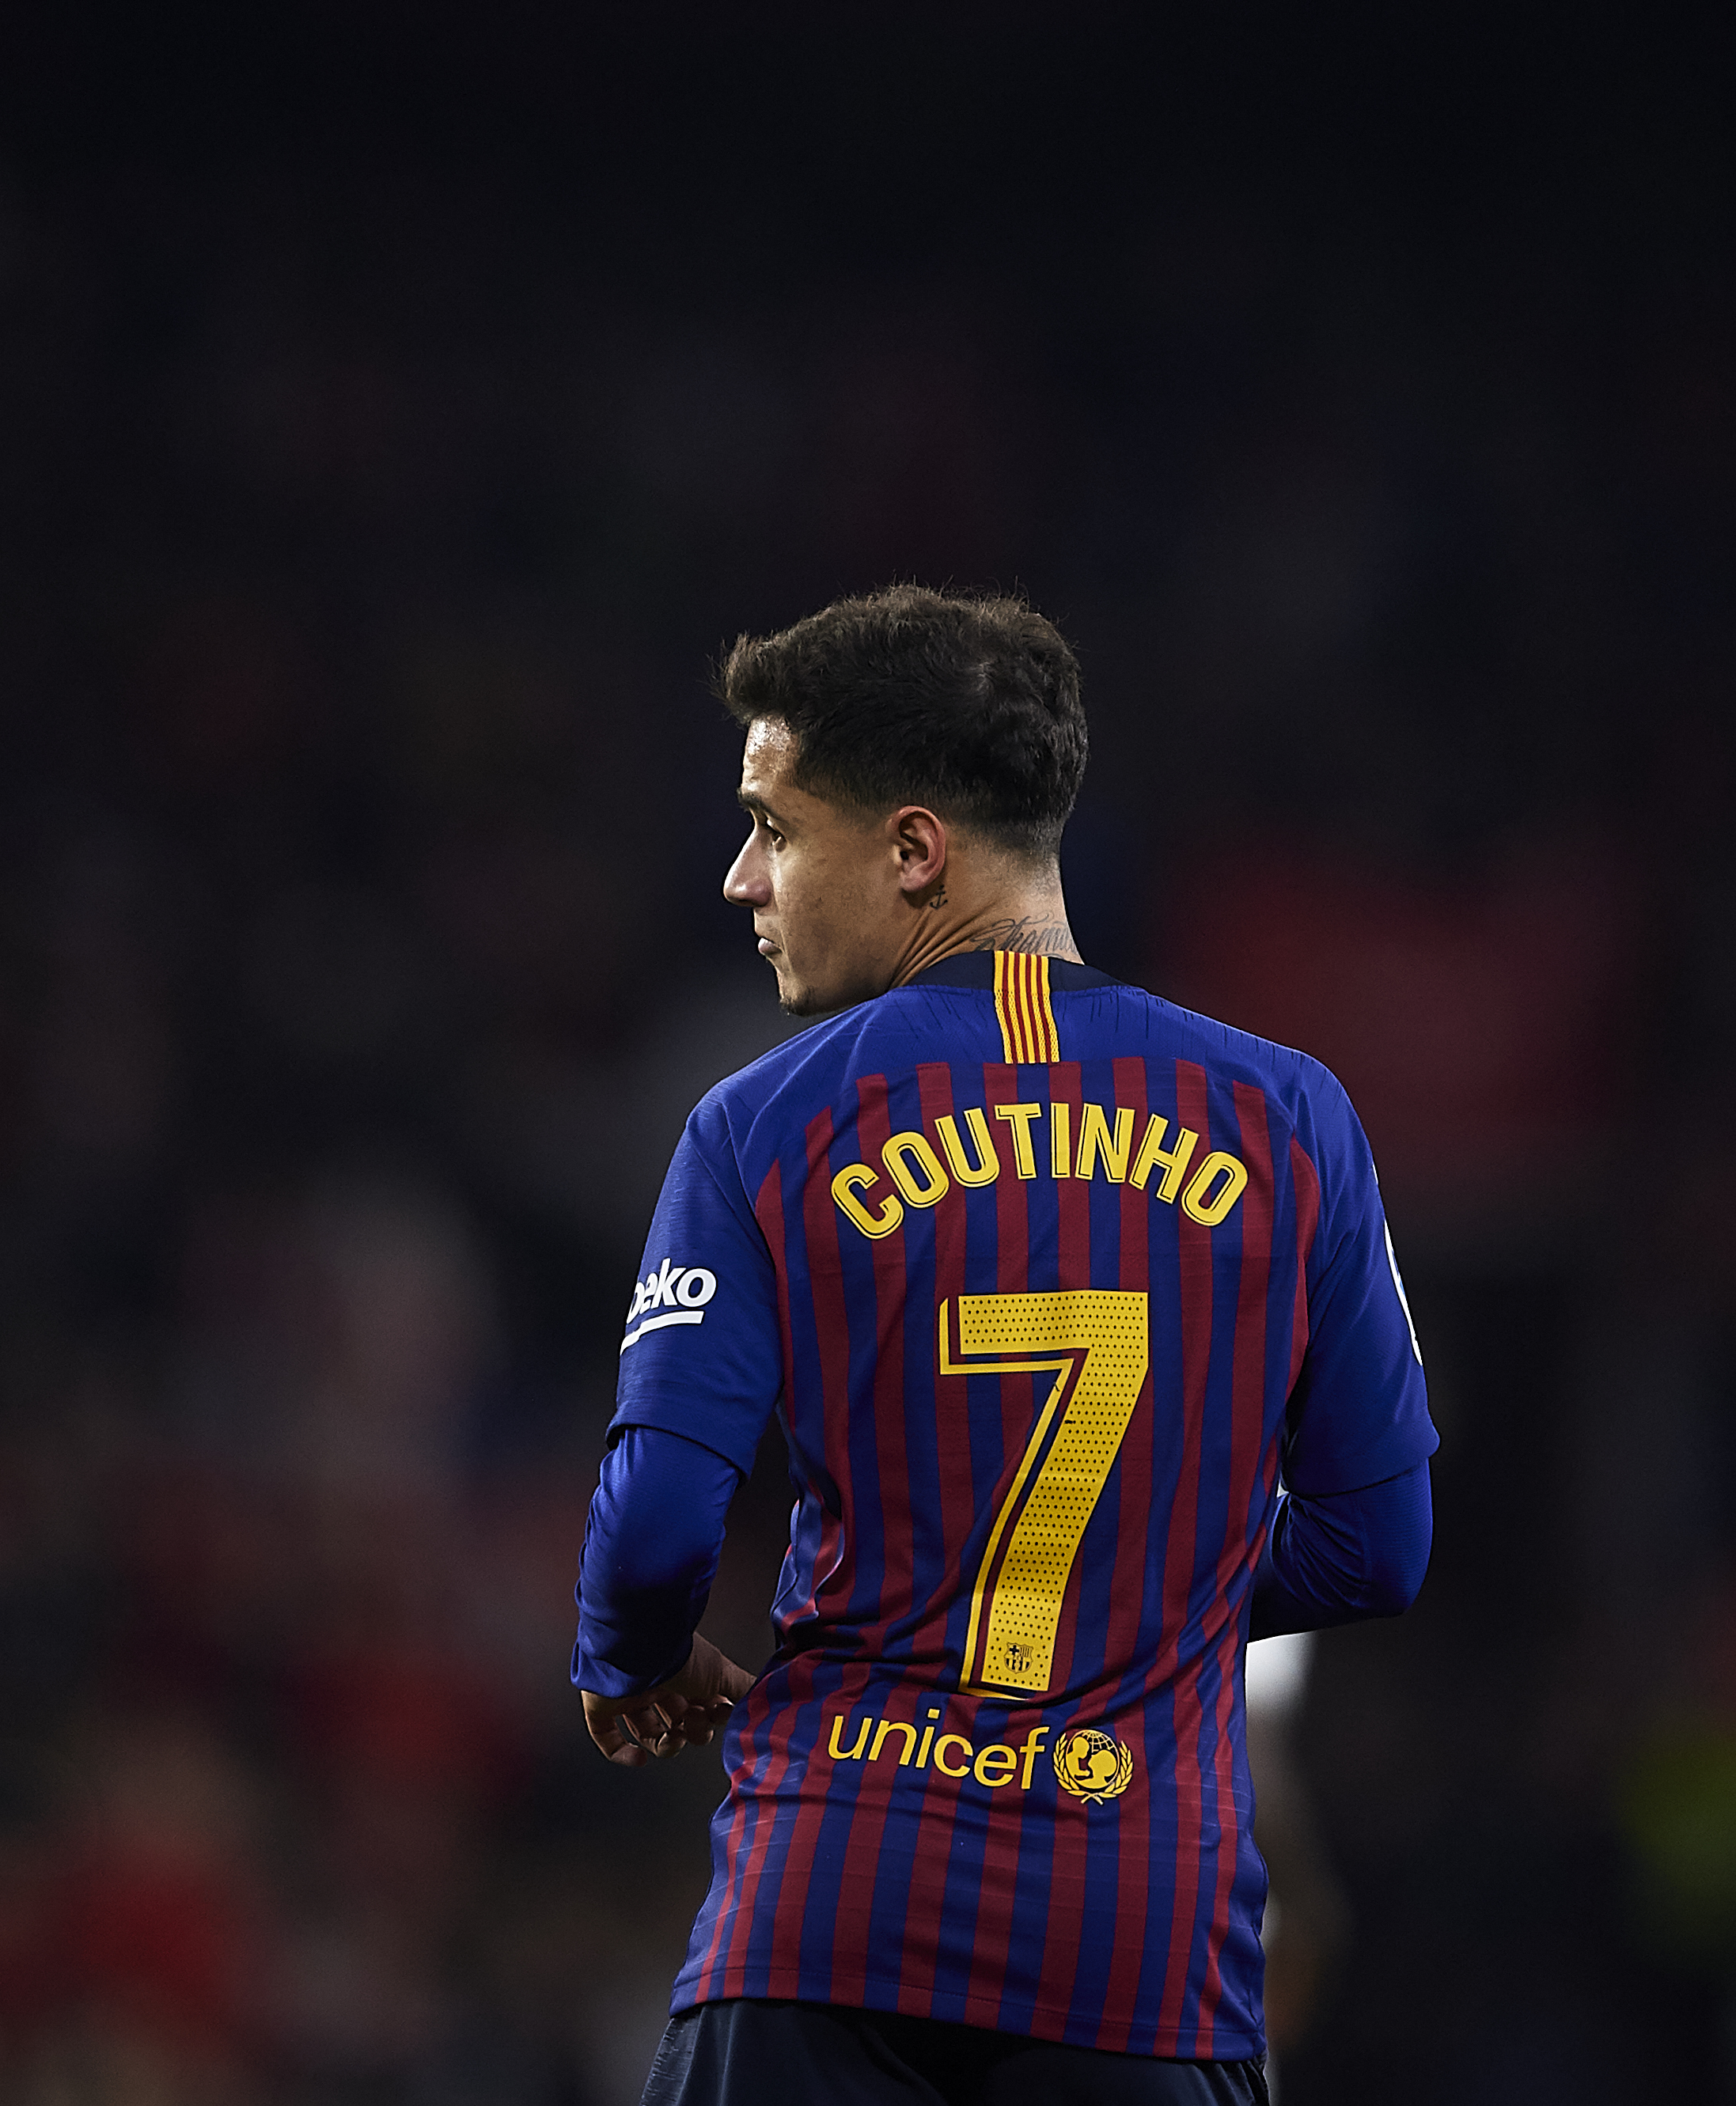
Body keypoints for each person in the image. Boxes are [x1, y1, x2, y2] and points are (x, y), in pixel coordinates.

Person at [572, 586, 1435, 2105]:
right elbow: (1381, 1544)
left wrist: (629, 1661)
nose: (739, 879)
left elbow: (653, 1532)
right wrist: (1149, 1592)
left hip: (830, 1912)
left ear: (913, 849)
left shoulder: (759, 1125)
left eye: (774, 826)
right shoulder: (1294, 1118)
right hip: (1142, 1946)